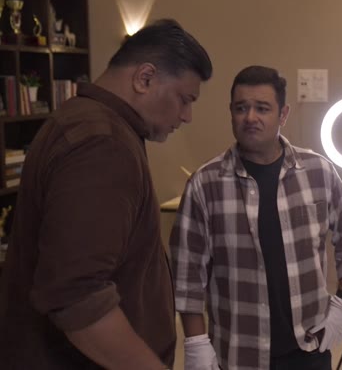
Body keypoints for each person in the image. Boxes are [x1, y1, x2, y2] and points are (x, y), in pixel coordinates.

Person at [0, 18, 213, 369]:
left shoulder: (83, 119)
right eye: (184, 99)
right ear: (145, 78)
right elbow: (77, 295)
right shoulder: (102, 143)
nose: (187, 115)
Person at [170, 65, 342, 370]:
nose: (250, 117)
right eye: (241, 108)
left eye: (262, 108)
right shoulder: (204, 184)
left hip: (310, 346)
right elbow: (187, 272)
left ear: (283, 114)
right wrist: (196, 343)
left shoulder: (318, 171)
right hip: (237, 352)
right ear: (231, 113)